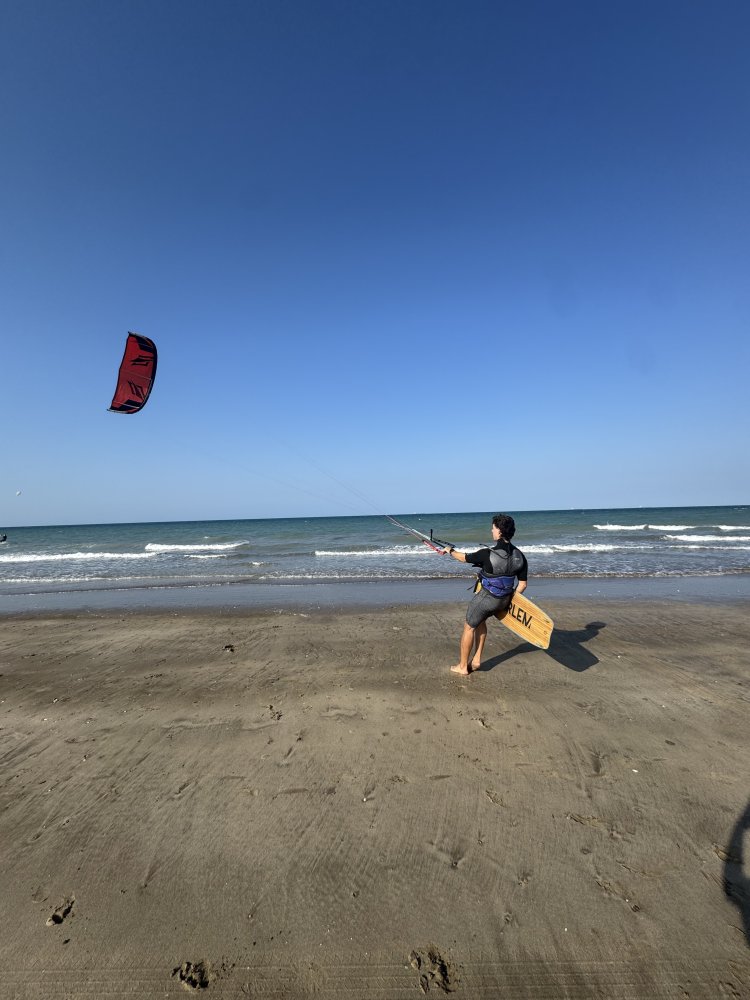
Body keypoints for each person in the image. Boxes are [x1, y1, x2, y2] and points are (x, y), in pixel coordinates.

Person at [442, 513, 528, 675]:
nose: (492, 530)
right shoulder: (520, 556)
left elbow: (464, 558)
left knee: (469, 626)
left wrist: (450, 551)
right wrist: (509, 601)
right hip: (504, 600)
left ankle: (462, 667)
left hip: (486, 598)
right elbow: (522, 584)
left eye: (494, 528)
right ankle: (476, 660)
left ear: (500, 532)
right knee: (480, 621)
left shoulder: (487, 553)